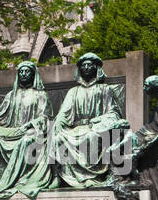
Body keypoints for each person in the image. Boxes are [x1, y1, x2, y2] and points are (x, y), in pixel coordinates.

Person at [0, 61, 54, 200]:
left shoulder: (41, 95)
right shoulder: (11, 95)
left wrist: (29, 125)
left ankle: (23, 179)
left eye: (27, 71)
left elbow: (46, 117)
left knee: (25, 141)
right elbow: (0, 116)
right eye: (21, 72)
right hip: (11, 133)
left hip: (31, 133)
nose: (24, 74)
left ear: (33, 75)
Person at [48, 52, 130, 189]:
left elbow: (114, 113)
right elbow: (63, 113)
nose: (86, 67)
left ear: (96, 68)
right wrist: (57, 124)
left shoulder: (104, 89)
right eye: (83, 65)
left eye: (90, 65)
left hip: (95, 127)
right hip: (75, 128)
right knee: (57, 138)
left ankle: (93, 177)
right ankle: (59, 176)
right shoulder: (73, 91)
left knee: (92, 136)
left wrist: (98, 122)